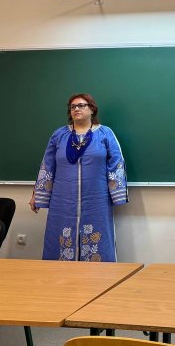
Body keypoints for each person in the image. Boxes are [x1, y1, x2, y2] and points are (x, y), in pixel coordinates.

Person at [29, 93, 128, 262]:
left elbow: (117, 162)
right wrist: (37, 195)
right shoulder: (59, 135)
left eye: (81, 105)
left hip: (96, 199)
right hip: (62, 199)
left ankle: (97, 276)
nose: (76, 109)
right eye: (73, 106)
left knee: (98, 240)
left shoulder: (105, 134)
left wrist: (116, 193)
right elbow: (47, 165)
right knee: (59, 238)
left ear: (92, 109)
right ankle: (59, 276)